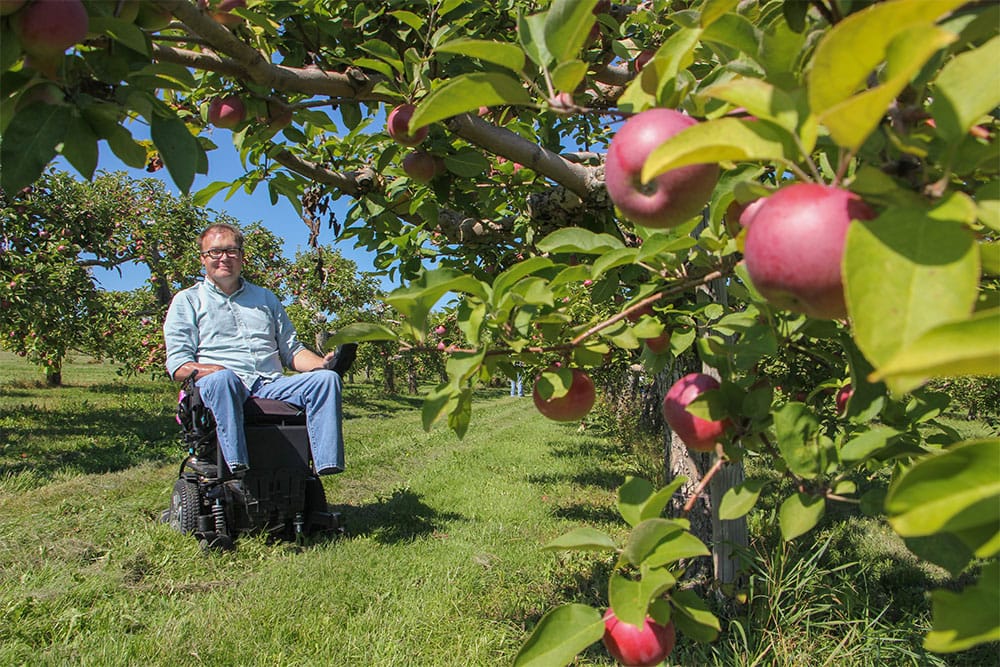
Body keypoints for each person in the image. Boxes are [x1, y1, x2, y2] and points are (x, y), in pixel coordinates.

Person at [163, 223, 348, 475]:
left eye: (231, 251)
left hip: (269, 384)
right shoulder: (188, 300)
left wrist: (321, 364)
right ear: (203, 259)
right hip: (223, 386)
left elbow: (291, 351)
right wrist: (216, 370)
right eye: (215, 252)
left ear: (241, 256)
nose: (224, 258)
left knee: (326, 380)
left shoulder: (265, 299)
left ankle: (325, 464)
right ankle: (236, 465)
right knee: (223, 379)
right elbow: (179, 366)